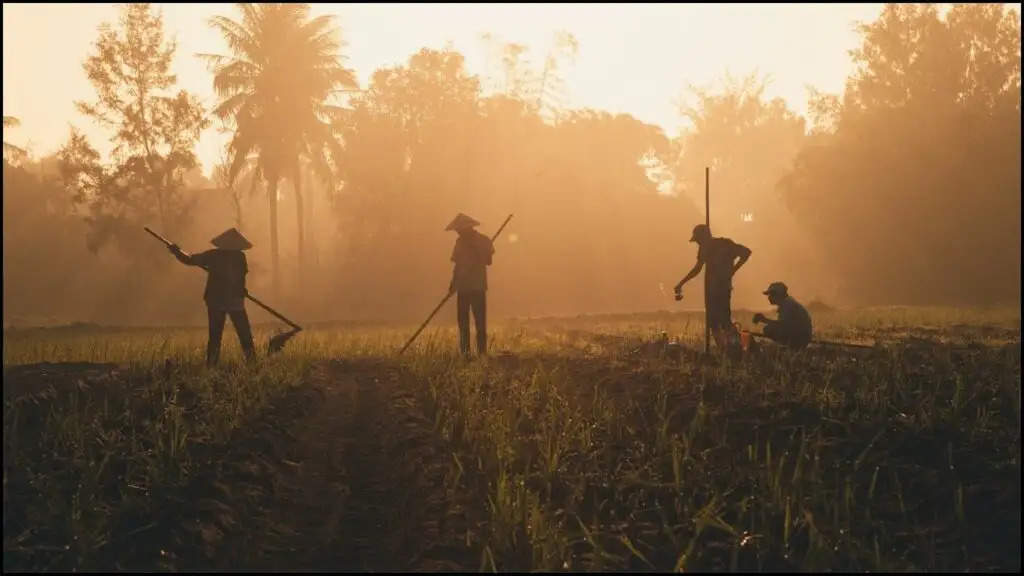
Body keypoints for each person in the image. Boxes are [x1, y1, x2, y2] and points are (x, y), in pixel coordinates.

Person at [168, 228, 256, 366]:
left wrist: (177, 252)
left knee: (216, 336)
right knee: (244, 334)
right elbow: (241, 278)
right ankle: (252, 364)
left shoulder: (215, 256)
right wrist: (177, 251)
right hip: (229, 300)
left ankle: (212, 365)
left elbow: (190, 259)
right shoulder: (239, 257)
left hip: (221, 300)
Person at [674, 224, 752, 351]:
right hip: (714, 289)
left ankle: (736, 348)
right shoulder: (714, 246)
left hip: (717, 289)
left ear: (704, 236)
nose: (697, 243)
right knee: (716, 322)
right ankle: (727, 351)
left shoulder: (722, 244)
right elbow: (698, 268)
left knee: (721, 322)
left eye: (698, 239)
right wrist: (681, 283)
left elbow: (746, 252)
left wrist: (733, 270)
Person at [446, 213, 494, 358]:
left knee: (480, 323)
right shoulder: (459, 243)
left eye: (459, 229)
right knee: (463, 323)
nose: (458, 232)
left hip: (477, 287)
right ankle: (465, 353)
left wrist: (479, 254)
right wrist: (453, 284)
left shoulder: (484, 241)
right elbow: (457, 266)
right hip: (463, 287)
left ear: (467, 228)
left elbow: (488, 261)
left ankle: (482, 353)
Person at [753, 282, 812, 350]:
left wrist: (763, 319)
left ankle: (787, 347)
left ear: (778, 295)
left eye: (771, 294)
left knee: (768, 329)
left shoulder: (787, 304)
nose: (769, 297)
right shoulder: (787, 302)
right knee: (769, 329)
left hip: (800, 338)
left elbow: (782, 325)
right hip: (801, 336)